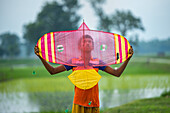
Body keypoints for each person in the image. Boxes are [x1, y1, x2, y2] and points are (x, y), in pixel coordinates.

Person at [34, 34, 133, 113]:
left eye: (89, 42)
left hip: (93, 103)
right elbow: (53, 71)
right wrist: (40, 56)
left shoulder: (97, 62)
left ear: (93, 46)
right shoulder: (73, 61)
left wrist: (128, 58)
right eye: (84, 42)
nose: (87, 43)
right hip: (78, 102)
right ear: (79, 46)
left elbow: (117, 73)